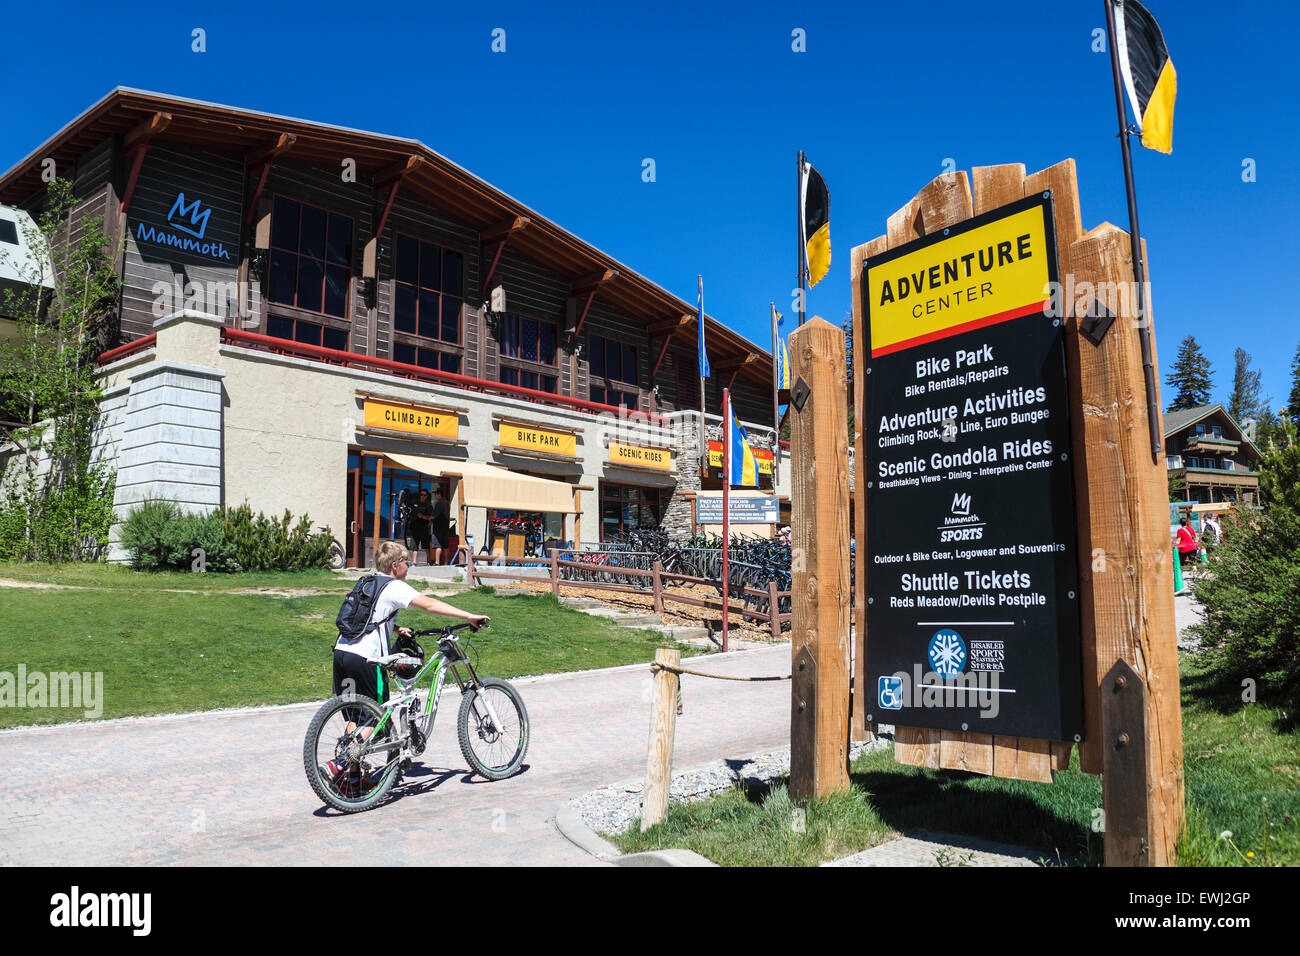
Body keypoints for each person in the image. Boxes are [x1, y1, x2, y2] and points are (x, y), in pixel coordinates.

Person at [332, 540, 489, 740]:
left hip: (342, 653)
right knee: (375, 717)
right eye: (406, 563)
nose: (409, 567)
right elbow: (429, 604)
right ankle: (343, 762)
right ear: (395, 566)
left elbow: (363, 617)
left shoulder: (366, 581)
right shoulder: (394, 586)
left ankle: (351, 770)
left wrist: (395, 629)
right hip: (367, 659)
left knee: (356, 715)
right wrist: (468, 616)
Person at [409, 489, 434, 566]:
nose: (422, 496)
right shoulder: (415, 503)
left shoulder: (429, 506)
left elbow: (431, 518)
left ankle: (429, 561)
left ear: (427, 496)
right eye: (421, 494)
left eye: (424, 495)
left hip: (424, 528)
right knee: (414, 545)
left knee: (425, 545)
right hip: (415, 527)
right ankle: (414, 562)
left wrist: (423, 517)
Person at [431, 487, 451, 566]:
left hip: (438, 527)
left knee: (438, 545)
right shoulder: (446, 502)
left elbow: (434, 516)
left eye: (436, 494)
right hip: (445, 527)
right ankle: (446, 562)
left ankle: (437, 563)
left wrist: (427, 518)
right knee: (445, 546)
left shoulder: (439, 503)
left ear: (439, 494)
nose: (435, 496)